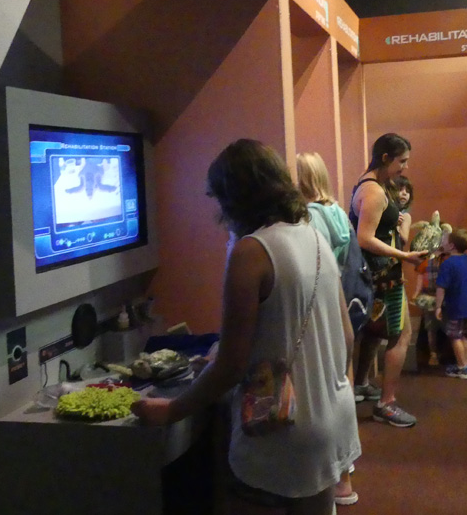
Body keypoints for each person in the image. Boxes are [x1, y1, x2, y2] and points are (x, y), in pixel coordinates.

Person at [132, 139, 360, 515]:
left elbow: (232, 366)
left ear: (234, 198)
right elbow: (345, 336)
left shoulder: (251, 252)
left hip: (284, 428)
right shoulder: (315, 236)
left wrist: (173, 410)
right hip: (333, 417)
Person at [349, 133, 426, 428]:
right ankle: (387, 402)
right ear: (385, 158)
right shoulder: (374, 191)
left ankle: (362, 382)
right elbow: (365, 238)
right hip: (382, 277)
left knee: (373, 332)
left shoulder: (371, 183)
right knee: (401, 334)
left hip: (377, 275)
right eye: (401, 161)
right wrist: (404, 255)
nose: (405, 167)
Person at [295, 151, 358, 507]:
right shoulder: (337, 212)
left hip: (319, 306)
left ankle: (337, 476)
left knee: (321, 390)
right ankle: (346, 463)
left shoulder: (309, 218)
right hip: (341, 300)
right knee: (341, 382)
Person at [429, 227, 467, 379]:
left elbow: (441, 287)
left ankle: (462, 367)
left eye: (445, 241)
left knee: (455, 337)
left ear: (451, 246)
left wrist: (438, 307)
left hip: (456, 307)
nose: (442, 243)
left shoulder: (447, 264)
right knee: (464, 335)